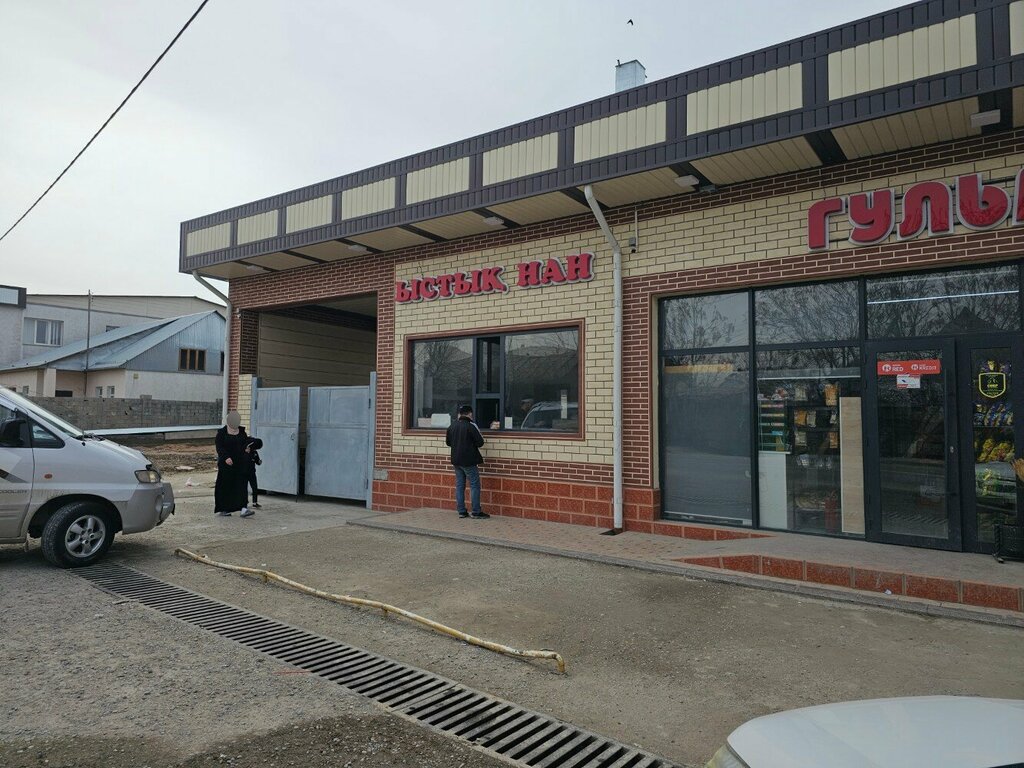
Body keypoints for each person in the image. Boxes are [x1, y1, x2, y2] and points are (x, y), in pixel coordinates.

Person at [445, 404, 488, 519]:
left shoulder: (452, 426)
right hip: (469, 461)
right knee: (474, 485)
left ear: (459, 414)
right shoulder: (470, 426)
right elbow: (480, 443)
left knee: (460, 485)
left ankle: (462, 511)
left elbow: (448, 443)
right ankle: (476, 511)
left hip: (456, 460)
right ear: (470, 414)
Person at [214, 411, 253, 518]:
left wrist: (247, 449)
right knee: (226, 486)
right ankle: (224, 509)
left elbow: (245, 444)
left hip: (240, 464)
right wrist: (226, 457)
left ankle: (243, 508)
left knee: (241, 485)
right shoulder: (221, 433)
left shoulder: (241, 432)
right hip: (226, 465)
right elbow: (219, 447)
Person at [246, 437, 263, 509]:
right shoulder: (246, 451)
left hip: (252, 472)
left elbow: (257, 462)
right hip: (245, 472)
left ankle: (255, 502)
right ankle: (244, 502)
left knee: (255, 487)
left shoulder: (255, 453)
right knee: (244, 488)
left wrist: (259, 462)